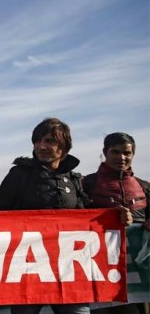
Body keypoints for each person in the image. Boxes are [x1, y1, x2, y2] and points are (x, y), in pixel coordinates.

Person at [0, 118, 129, 314]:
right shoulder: (20, 174)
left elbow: (88, 212)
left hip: (68, 271)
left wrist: (115, 215)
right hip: (27, 271)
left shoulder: (73, 179)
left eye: (49, 141)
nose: (41, 146)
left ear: (64, 147)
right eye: (37, 141)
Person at [83, 132, 148, 314]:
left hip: (138, 274)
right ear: (105, 152)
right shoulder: (85, 184)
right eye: (115, 152)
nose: (121, 157)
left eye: (127, 153)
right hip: (99, 271)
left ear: (133, 154)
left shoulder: (144, 186)